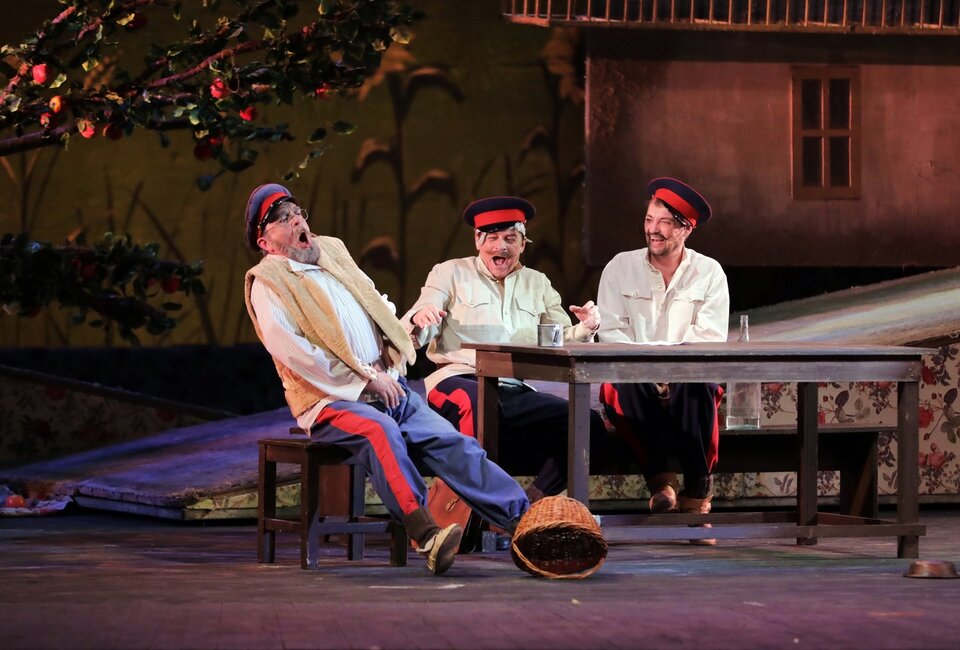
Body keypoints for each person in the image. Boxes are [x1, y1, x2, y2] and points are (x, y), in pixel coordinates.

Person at [242, 183, 529, 575]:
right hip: (331, 401)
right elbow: (296, 353)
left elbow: (375, 302)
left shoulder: (331, 252)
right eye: (282, 220)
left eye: (297, 213)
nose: (296, 222)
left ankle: (524, 521)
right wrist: (365, 381)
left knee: (453, 443)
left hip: (387, 385)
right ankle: (426, 535)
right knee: (380, 432)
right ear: (265, 241)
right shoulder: (268, 281)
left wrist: (404, 335)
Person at [402, 196, 607, 504]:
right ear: (478, 240)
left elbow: (558, 340)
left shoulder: (537, 283)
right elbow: (423, 313)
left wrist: (586, 327)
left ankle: (529, 503)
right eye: (493, 238)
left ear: (523, 244)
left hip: (513, 388)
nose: (501, 247)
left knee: (587, 423)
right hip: (458, 380)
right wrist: (421, 319)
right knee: (477, 406)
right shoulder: (450, 273)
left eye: (510, 239)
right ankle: (474, 509)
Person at [596, 177, 729, 544]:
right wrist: (650, 365)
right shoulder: (620, 267)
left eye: (665, 223)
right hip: (634, 373)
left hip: (687, 374)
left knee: (696, 382)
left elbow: (709, 337)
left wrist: (668, 368)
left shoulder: (709, 273)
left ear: (685, 229)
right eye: (649, 220)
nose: (653, 230)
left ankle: (697, 496)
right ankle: (661, 483)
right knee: (623, 381)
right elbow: (611, 332)